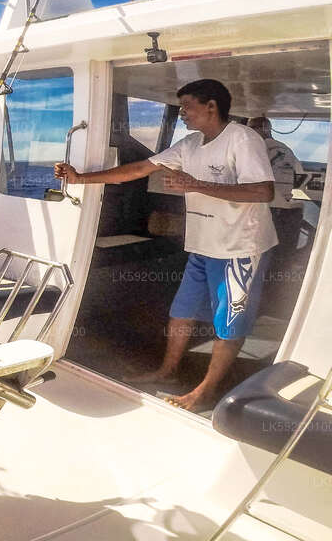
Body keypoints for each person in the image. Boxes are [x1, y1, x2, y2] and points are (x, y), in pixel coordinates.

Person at [55, 79, 276, 411]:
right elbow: (140, 169)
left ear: (211, 107)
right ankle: (167, 371)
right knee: (181, 313)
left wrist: (195, 184)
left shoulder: (243, 139)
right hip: (202, 248)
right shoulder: (190, 144)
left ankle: (205, 390)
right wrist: (80, 179)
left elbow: (263, 192)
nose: (183, 113)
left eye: (187, 106)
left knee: (228, 324)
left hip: (239, 250)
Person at [246, 116, 305, 258]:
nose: (248, 133)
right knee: (275, 255)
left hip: (264, 209)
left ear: (265, 128)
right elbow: (300, 175)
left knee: (257, 254)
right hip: (285, 211)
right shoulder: (287, 149)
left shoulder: (255, 148)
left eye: (251, 128)